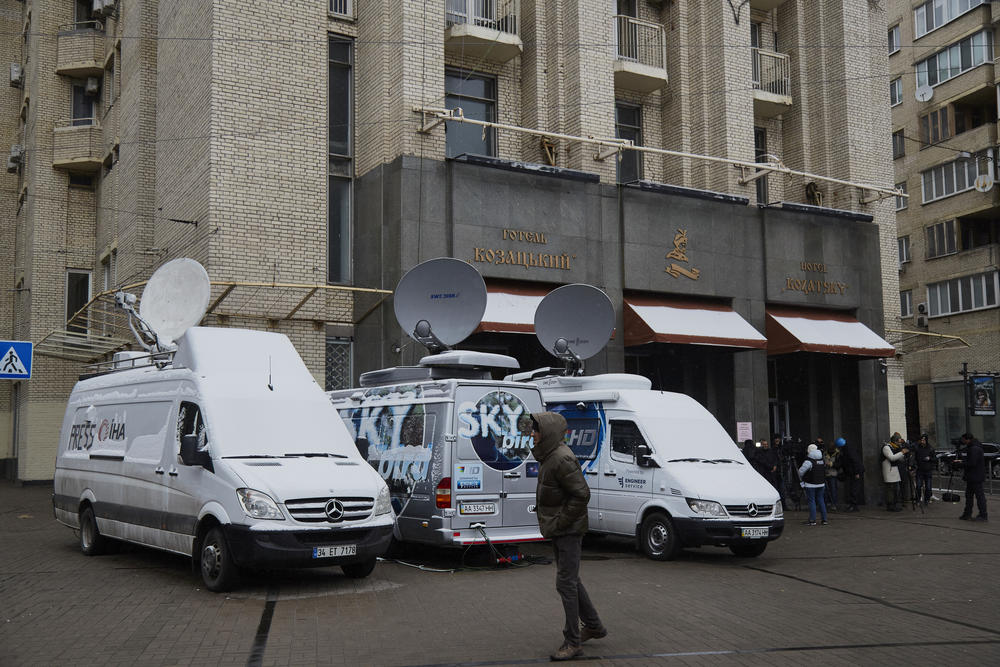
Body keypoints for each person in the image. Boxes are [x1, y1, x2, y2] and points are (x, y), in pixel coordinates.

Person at [529, 412, 605, 661]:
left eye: (536, 430)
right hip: (560, 529)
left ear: (547, 432)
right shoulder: (550, 456)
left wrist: (561, 521)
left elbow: (581, 495)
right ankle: (593, 626)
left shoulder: (562, 459)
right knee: (571, 581)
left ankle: (573, 642)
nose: (532, 434)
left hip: (568, 530)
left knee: (566, 584)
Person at [958, 433, 988, 522]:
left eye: (963, 440)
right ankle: (967, 514)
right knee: (969, 496)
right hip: (973, 476)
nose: (962, 441)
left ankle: (983, 515)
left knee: (979, 497)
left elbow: (972, 463)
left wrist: (961, 463)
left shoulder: (974, 448)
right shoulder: (974, 447)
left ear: (967, 439)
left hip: (975, 476)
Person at [798, 444, 828, 525]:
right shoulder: (822, 460)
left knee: (812, 501)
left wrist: (802, 478)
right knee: (821, 500)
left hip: (810, 484)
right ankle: (824, 519)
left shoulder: (808, 461)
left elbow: (800, 472)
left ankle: (812, 520)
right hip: (821, 484)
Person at [881, 433, 908, 512]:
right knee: (890, 489)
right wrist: (902, 452)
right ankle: (890, 505)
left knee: (896, 489)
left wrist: (903, 454)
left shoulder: (896, 447)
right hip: (889, 471)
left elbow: (899, 458)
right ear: (895, 441)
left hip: (895, 470)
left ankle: (895, 504)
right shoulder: (886, 447)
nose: (900, 443)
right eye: (898, 442)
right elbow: (892, 458)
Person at [838, 437, 863, 512]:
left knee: (854, 489)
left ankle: (854, 505)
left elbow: (855, 461)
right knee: (853, 488)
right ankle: (853, 505)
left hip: (855, 472)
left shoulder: (849, 450)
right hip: (853, 472)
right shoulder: (847, 448)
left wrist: (856, 472)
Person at [912, 434, 936, 507]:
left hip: (928, 470)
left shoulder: (931, 448)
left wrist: (930, 459)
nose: (922, 442)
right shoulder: (917, 448)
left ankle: (927, 500)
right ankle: (918, 500)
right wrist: (914, 466)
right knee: (918, 486)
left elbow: (935, 459)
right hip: (920, 470)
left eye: (923, 440)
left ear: (926, 440)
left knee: (928, 487)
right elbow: (914, 458)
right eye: (921, 440)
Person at [822, 438, 841, 511]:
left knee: (833, 490)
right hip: (825, 474)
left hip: (833, 474)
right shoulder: (825, 453)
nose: (830, 448)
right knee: (825, 491)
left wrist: (831, 464)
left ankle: (834, 504)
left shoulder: (838, 454)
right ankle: (826, 504)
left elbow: (839, 464)